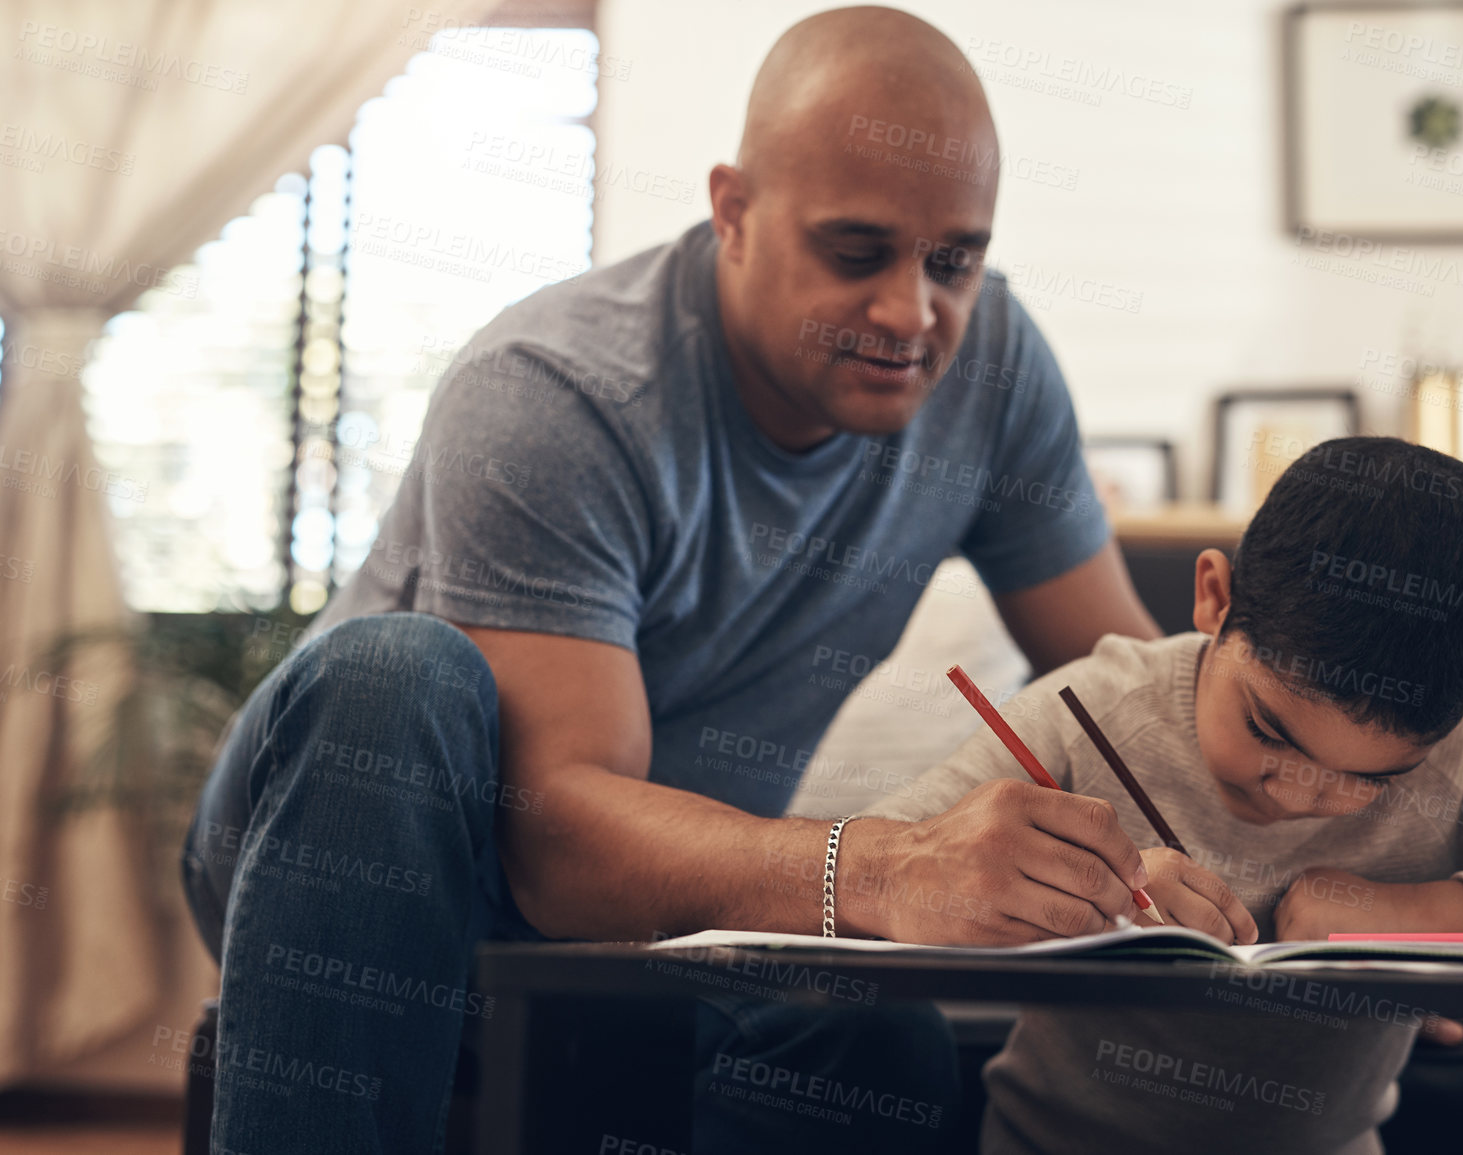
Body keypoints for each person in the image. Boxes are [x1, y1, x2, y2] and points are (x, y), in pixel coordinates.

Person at [180, 7, 1165, 1153]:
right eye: (856, 253)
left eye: (956, 260)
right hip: (371, 852)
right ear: (734, 212)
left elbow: (1125, 701)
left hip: (642, 924)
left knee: (875, 1049)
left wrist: (1305, 874)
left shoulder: (990, 370)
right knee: (399, 672)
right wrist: (888, 868)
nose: (912, 311)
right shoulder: (558, 388)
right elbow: (554, 839)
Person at [861, 435, 1463, 1153]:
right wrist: (1091, 895)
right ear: (1214, 597)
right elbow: (873, 859)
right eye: (1269, 731)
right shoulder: (1092, 706)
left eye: (1374, 777)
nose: (1305, 793)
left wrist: (1415, 916)